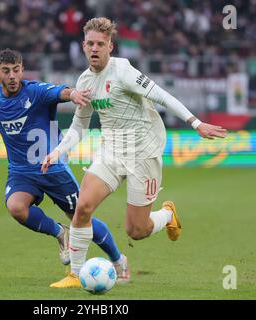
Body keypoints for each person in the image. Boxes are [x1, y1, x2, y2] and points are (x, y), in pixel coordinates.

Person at [42, 17, 227, 288]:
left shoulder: (124, 72)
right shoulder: (84, 81)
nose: (95, 49)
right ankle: (76, 275)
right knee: (82, 207)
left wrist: (195, 123)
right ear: (83, 46)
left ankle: (167, 214)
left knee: (136, 231)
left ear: (110, 47)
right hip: (112, 150)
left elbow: (163, 96)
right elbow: (79, 125)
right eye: (90, 44)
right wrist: (58, 151)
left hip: (143, 153)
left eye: (100, 44)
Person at [0, 49, 130, 283]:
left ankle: (119, 261)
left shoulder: (35, 91)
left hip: (53, 169)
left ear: (22, 70)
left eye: (16, 70)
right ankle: (60, 233)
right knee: (16, 208)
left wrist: (75, 94)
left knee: (81, 216)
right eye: (6, 71)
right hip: (21, 172)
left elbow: (62, 92)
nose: (12, 76)